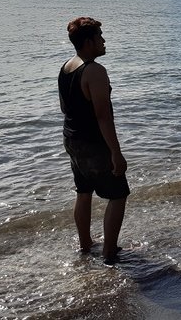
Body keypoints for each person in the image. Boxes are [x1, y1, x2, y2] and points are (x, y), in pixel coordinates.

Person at [58, 17, 129, 264]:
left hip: (72, 139)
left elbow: (64, 107)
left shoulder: (67, 66)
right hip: (93, 143)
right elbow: (103, 116)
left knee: (84, 191)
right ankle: (109, 253)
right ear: (88, 42)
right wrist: (116, 153)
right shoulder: (95, 71)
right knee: (118, 195)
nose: (104, 40)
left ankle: (85, 245)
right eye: (100, 36)